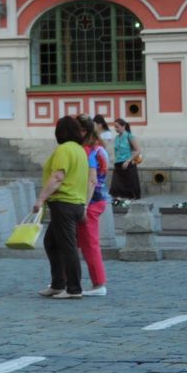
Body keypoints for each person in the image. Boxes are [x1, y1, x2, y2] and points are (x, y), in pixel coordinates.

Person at [31, 115, 90, 299]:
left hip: (64, 203)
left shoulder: (64, 150)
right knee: (51, 242)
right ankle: (58, 284)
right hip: (76, 203)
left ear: (60, 132)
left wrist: (40, 199)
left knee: (68, 246)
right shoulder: (80, 150)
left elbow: (57, 177)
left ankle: (73, 289)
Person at [78, 116, 110, 297]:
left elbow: (91, 180)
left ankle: (99, 283)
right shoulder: (100, 149)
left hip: (90, 201)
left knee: (90, 244)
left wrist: (84, 205)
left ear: (83, 132)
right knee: (77, 242)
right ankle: (66, 278)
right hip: (99, 198)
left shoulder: (88, 150)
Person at [111, 118, 142, 203]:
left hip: (128, 164)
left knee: (130, 186)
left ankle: (130, 203)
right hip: (118, 164)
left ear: (123, 126)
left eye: (117, 127)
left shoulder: (129, 136)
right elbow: (116, 151)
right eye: (115, 127)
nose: (116, 129)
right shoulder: (116, 138)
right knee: (116, 185)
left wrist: (128, 161)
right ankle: (118, 202)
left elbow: (138, 150)